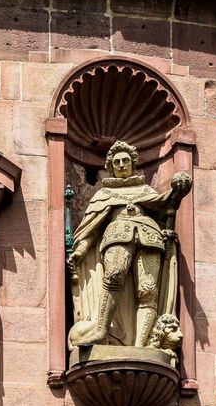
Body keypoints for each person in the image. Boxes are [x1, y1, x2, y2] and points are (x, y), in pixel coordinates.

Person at [67, 140, 191, 348]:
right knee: (113, 277)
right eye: (117, 162)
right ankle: (101, 331)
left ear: (133, 164)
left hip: (149, 237)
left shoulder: (145, 191)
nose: (122, 165)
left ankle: (140, 345)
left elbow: (165, 206)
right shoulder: (103, 195)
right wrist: (80, 250)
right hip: (116, 235)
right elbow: (91, 229)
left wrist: (178, 191)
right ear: (111, 167)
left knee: (147, 291)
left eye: (125, 160)